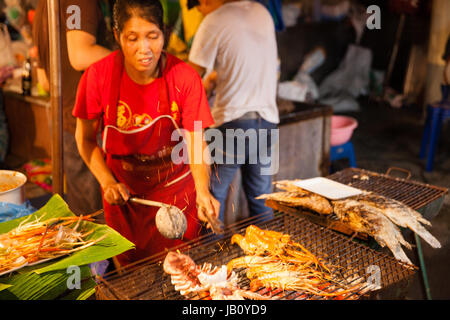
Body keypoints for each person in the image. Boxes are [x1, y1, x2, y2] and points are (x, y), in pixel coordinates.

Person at [73, 0, 219, 266]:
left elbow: (196, 143)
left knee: (182, 277)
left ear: (164, 33)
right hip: (126, 201)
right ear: (116, 36)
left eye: (153, 36)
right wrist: (107, 182)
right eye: (132, 38)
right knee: (131, 281)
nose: (144, 49)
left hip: (178, 200)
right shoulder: (98, 77)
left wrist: (202, 191)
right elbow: (84, 140)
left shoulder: (184, 77)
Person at [188, 0, 280, 222]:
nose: (201, 14)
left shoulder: (214, 20)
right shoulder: (262, 12)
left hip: (234, 124)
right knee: (262, 198)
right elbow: (248, 62)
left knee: (211, 199)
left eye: (199, 9)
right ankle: (271, 253)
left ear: (205, 1)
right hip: (267, 121)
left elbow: (189, 77)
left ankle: (211, 255)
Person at [32, 0, 115, 218]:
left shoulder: (45, 6)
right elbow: (80, 56)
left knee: (83, 215)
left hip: (66, 116)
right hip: (86, 119)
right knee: (97, 218)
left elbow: (44, 81)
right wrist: (135, 62)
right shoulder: (79, 1)